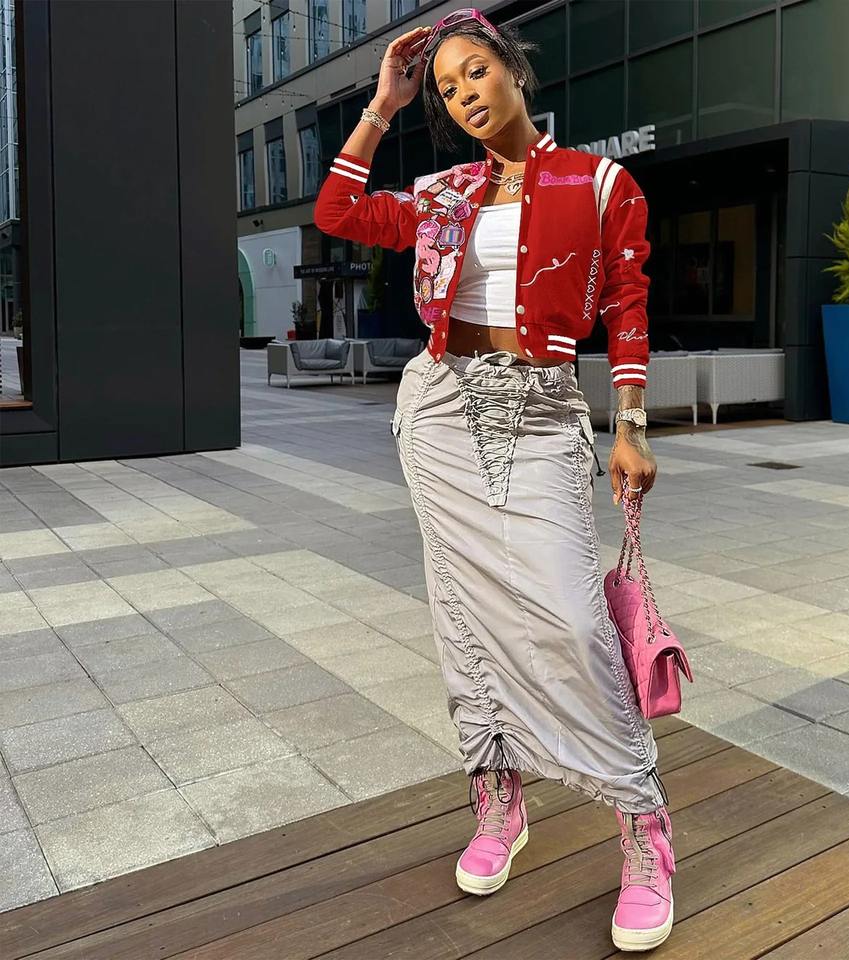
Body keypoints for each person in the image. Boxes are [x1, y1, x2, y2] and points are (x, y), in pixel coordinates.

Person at [314, 9, 673, 952]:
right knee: (461, 612)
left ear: (514, 70)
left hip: (543, 408)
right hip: (438, 406)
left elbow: (628, 302)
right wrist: (383, 106)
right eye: (447, 87)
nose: (465, 94)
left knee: (571, 619)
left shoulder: (599, 182)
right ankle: (498, 796)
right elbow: (339, 214)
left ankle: (642, 823)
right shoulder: (443, 191)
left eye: (476, 72)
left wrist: (631, 426)